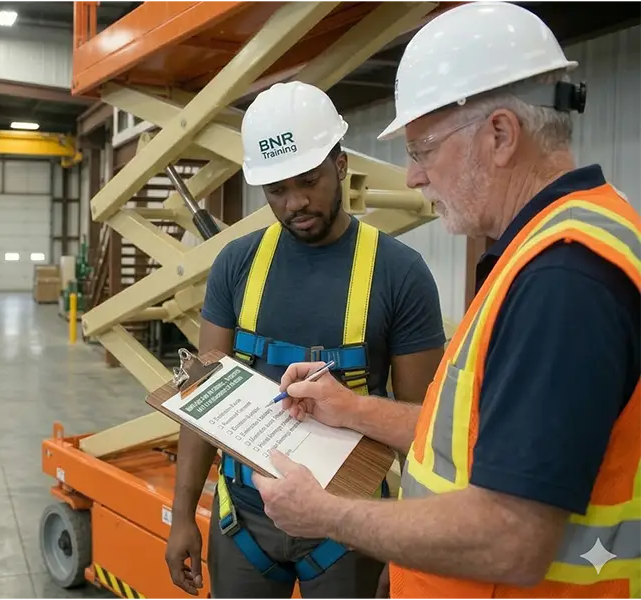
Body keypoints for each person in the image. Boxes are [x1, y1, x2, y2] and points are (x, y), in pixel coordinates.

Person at [255, 3, 641, 600]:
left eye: (423, 149)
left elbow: (509, 537)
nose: (412, 177)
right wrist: (350, 409)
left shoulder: (564, 279)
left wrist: (326, 514)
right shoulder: (550, 250)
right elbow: (473, 437)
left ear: (500, 135)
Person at [164, 80, 447, 600]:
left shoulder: (397, 273)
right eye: (276, 191)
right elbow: (201, 396)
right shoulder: (237, 266)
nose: (296, 202)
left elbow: (424, 427)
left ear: (340, 163)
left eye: (309, 180)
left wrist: (409, 546)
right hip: (245, 521)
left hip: (349, 525)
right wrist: (183, 515)